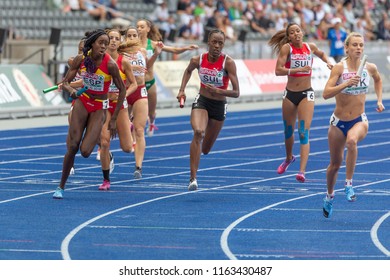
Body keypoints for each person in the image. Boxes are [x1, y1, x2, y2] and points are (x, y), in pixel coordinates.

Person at [52, 29, 127, 199]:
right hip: (83, 102)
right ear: (92, 43)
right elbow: (66, 82)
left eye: (106, 44)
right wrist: (71, 90)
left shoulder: (110, 65)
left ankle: (103, 149)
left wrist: (114, 118)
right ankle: (61, 186)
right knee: (72, 146)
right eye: (101, 43)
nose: (104, 47)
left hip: (99, 107)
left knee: (85, 152)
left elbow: (122, 90)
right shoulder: (81, 59)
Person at [322, 32, 385, 218]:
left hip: (359, 120)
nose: (359, 48)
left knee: (352, 141)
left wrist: (379, 100)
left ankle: (348, 184)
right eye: (355, 45)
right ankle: (329, 195)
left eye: (361, 45)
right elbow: (326, 94)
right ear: (347, 48)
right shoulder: (339, 69)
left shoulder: (369, 67)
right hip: (338, 122)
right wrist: (346, 83)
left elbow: (378, 80)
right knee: (334, 164)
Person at [268, 22, 332, 183]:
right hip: (290, 94)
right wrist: (296, 70)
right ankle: (289, 158)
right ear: (289, 36)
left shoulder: (310, 47)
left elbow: (322, 53)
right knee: (288, 132)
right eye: (292, 32)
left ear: (302, 32)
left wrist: (328, 62)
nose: (296, 33)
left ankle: (302, 171)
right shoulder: (287, 49)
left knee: (303, 132)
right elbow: (278, 70)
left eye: (298, 30)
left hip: (306, 94)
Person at [176, 28, 240, 191]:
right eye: (214, 42)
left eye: (221, 43)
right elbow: (188, 70)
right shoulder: (198, 60)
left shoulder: (228, 63)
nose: (217, 46)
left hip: (219, 105)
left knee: (205, 149)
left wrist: (219, 91)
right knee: (198, 132)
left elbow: (236, 92)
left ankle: (200, 153)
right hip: (202, 101)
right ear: (208, 43)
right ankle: (193, 178)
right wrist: (182, 89)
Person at [136, 19, 199, 136]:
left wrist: (186, 47)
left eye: (142, 27)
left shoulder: (153, 44)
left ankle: (152, 120)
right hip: (137, 84)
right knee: (136, 113)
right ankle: (135, 136)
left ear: (148, 29)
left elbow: (174, 50)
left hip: (150, 82)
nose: (139, 29)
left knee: (151, 112)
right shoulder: (132, 45)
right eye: (137, 27)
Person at [119, 26, 163, 178]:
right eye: (129, 35)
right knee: (118, 132)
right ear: (125, 38)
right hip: (125, 92)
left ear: (138, 37)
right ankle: (104, 151)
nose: (131, 38)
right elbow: (115, 67)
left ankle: (138, 166)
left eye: (134, 35)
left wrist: (156, 54)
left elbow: (147, 68)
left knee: (139, 130)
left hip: (140, 91)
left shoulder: (142, 52)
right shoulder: (120, 52)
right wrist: (131, 66)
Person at [97, 28, 138, 191]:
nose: (113, 41)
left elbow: (134, 83)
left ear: (120, 42)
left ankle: (129, 124)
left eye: (116, 38)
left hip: (120, 106)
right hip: (104, 106)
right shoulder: (99, 61)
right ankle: (106, 180)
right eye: (110, 38)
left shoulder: (124, 62)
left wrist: (124, 94)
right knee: (104, 142)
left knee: (128, 148)